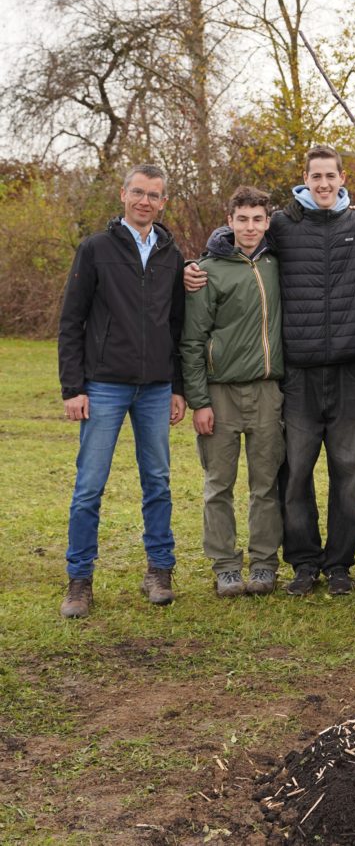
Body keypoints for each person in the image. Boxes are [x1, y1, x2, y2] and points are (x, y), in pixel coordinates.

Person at [184, 145, 355, 597]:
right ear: (305, 178)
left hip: (350, 371)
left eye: (330, 175)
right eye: (316, 176)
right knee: (294, 473)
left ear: (342, 177)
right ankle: (303, 562)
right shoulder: (282, 225)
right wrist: (196, 263)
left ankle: (339, 564)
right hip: (298, 374)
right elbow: (238, 244)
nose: (323, 183)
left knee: (349, 474)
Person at [58, 163, 186, 617]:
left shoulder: (171, 253)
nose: (144, 201)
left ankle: (159, 570)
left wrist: (178, 386)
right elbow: (71, 320)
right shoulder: (95, 249)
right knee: (89, 486)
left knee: (158, 483)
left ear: (163, 202)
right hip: (104, 385)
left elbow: (177, 323)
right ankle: (79, 580)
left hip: (156, 388)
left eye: (153, 195)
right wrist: (73, 387)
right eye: (138, 192)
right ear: (122, 194)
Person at [181, 186, 285, 597]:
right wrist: (199, 401)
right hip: (220, 393)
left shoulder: (278, 263)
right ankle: (225, 566)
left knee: (266, 484)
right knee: (218, 484)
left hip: (267, 391)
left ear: (267, 222)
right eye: (242, 219)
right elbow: (192, 341)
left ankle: (263, 564)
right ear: (230, 221)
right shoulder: (208, 270)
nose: (250, 227)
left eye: (258, 219)